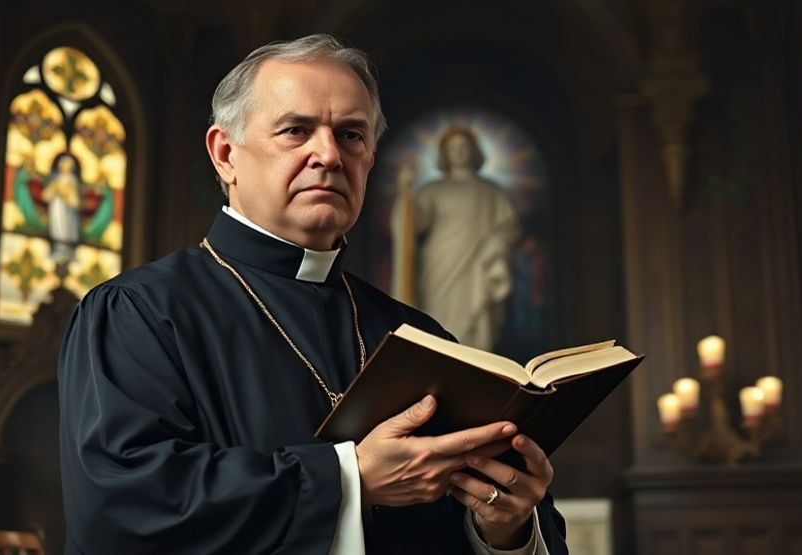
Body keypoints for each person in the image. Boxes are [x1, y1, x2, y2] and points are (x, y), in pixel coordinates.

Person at [58, 34, 567, 554]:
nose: (328, 154)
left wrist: (504, 528)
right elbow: (121, 507)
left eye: (351, 135)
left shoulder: (419, 334)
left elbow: (486, 514)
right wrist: (351, 479)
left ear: (370, 160)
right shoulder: (137, 312)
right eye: (295, 131)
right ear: (226, 154)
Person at [392, 128, 520, 350]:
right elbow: (411, 224)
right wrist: (405, 194)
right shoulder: (433, 190)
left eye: (464, 147)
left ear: (474, 152)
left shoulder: (491, 191)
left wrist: (495, 244)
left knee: (479, 327)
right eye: (453, 148)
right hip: (441, 265)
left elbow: (509, 227)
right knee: (441, 322)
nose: (459, 152)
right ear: (445, 154)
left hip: (479, 265)